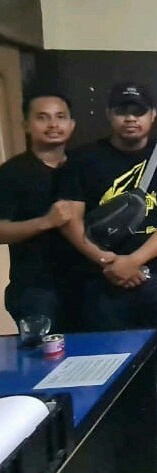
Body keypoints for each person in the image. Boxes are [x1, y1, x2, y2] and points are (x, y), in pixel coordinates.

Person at [58, 83, 157, 467]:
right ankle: (118, 429)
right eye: (122, 110)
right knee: (108, 353)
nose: (130, 119)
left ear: (152, 116)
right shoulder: (83, 160)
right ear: (109, 114)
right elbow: (70, 220)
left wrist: (134, 260)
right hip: (102, 276)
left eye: (138, 111)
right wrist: (106, 260)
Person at [0, 92, 75, 328]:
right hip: (36, 289)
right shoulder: (12, 173)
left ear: (72, 124)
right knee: (45, 351)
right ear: (26, 125)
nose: (53, 124)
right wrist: (46, 222)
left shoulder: (83, 165)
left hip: (84, 285)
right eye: (42, 117)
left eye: (60, 117)